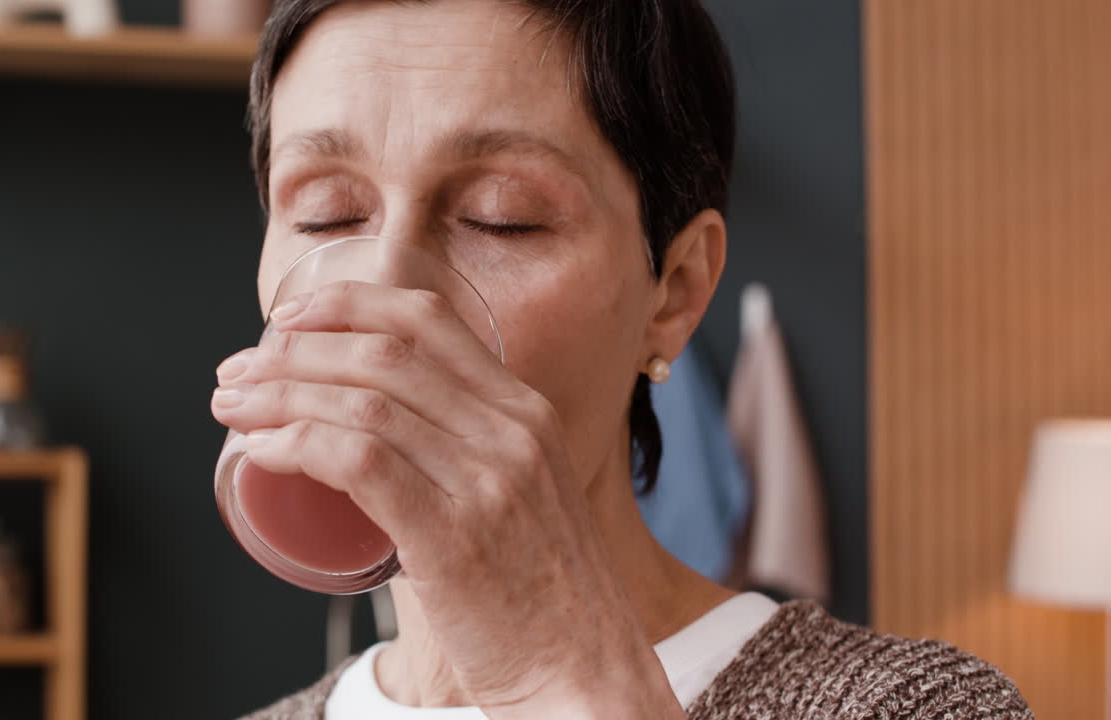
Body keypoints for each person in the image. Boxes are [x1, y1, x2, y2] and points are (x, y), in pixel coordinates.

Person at [210, 1, 1033, 718]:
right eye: (326, 214)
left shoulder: (910, 707)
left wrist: (559, 679)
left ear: (673, 291)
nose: (386, 291)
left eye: (504, 219)